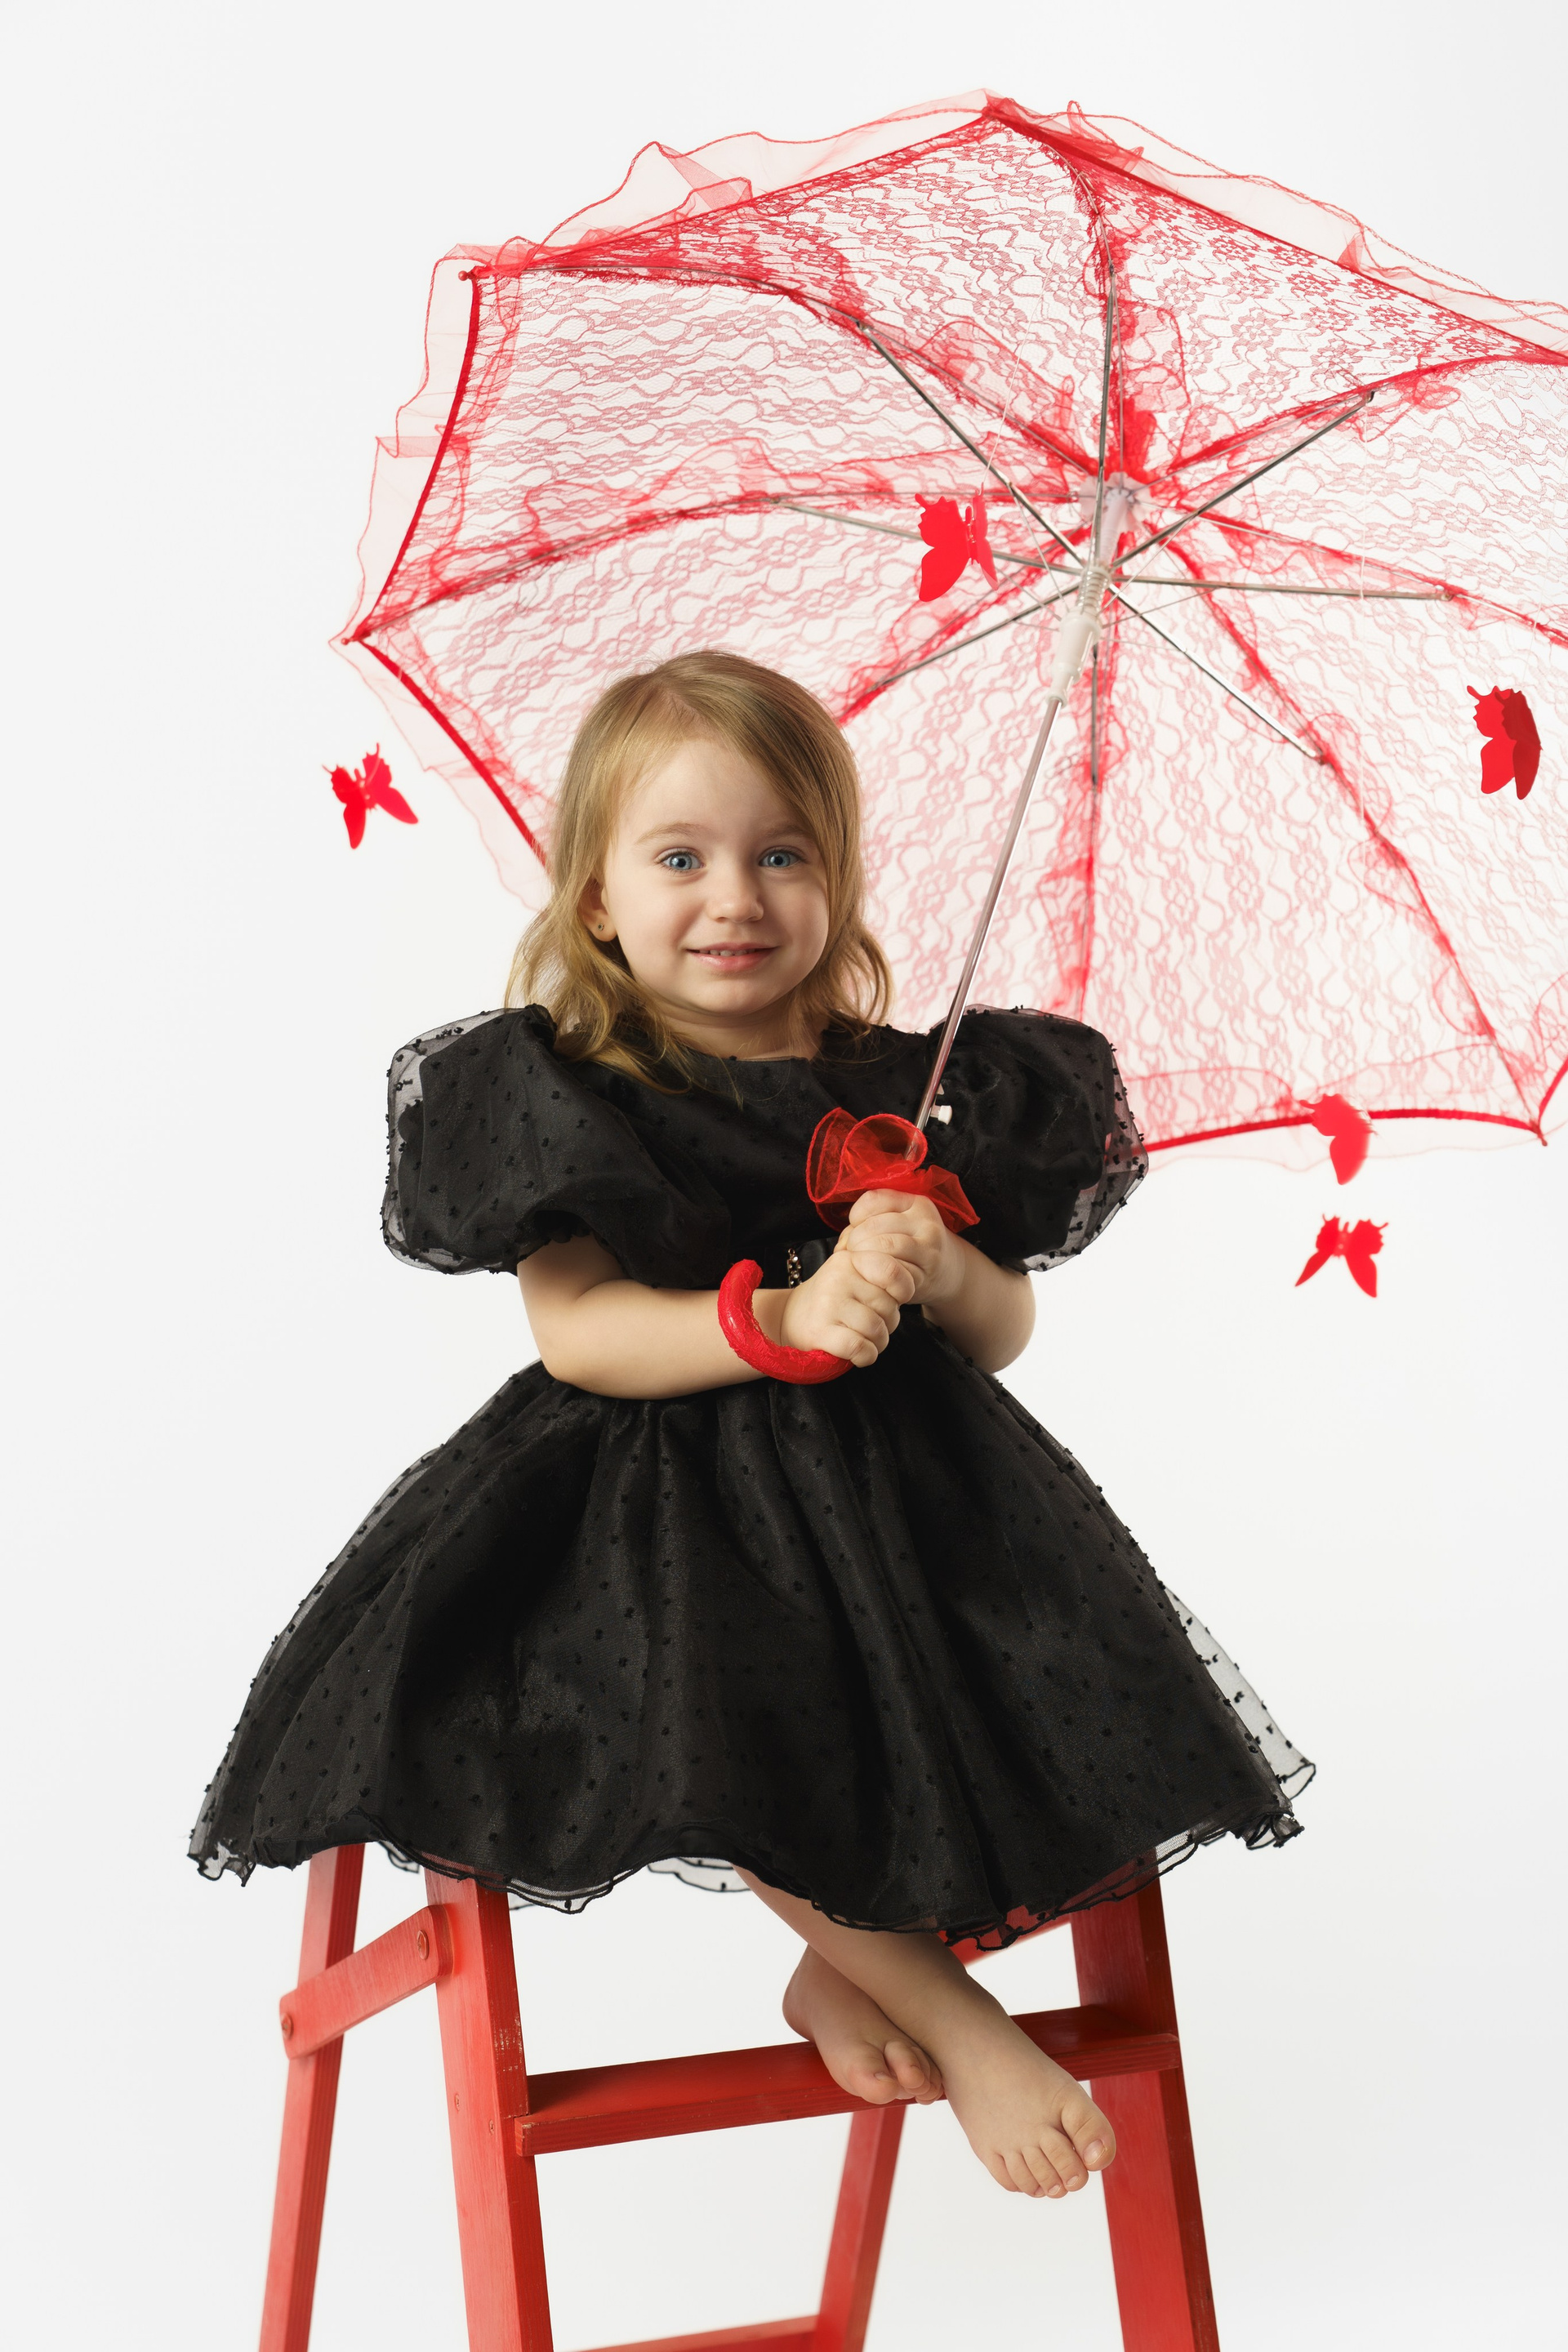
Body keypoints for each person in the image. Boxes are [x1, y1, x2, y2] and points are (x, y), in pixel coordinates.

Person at [192, 650, 1310, 2203]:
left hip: (915, 1489)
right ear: (597, 900)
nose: (735, 897)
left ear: (836, 881)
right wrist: (773, 1321)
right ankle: (956, 2017)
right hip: (657, 1495)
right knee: (733, 1700)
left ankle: (846, 1965)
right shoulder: (574, 1088)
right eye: (680, 858)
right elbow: (578, 1328)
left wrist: (939, 1264)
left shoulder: (920, 1090)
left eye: (782, 854)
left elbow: (1001, 1336)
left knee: (1062, 1689)